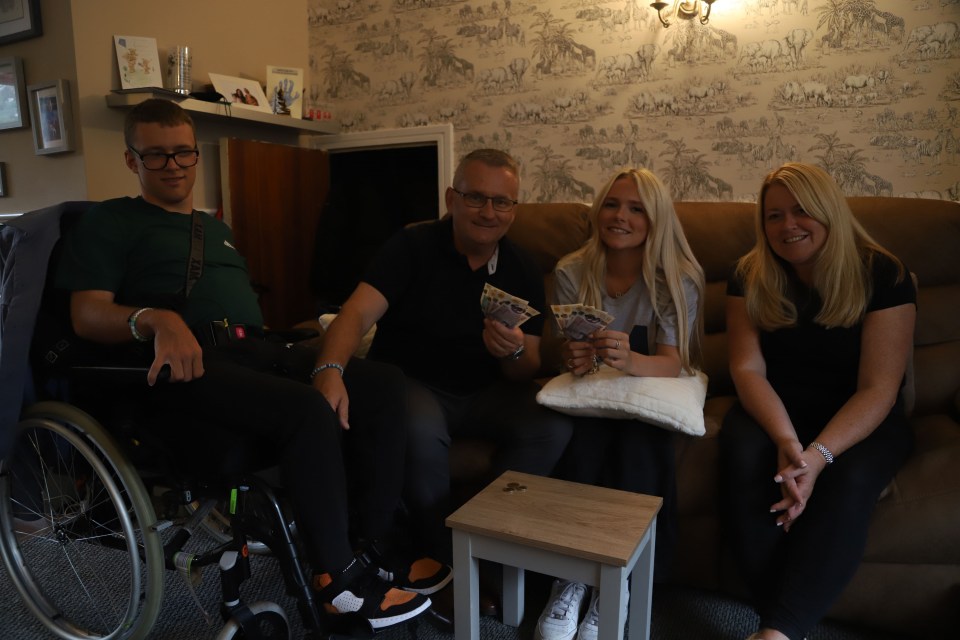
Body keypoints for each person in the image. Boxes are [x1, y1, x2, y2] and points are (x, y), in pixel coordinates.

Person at [54, 98, 438, 631]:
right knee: (306, 409)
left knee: (381, 383)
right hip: (182, 363)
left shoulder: (215, 227)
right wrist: (153, 318)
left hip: (254, 349)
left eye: (183, 153)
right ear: (130, 160)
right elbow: (86, 313)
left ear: (195, 155)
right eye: (157, 155)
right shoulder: (110, 221)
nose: (174, 166)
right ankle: (338, 583)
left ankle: (371, 543)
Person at [315, 148, 574, 616]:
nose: (489, 212)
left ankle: (491, 546)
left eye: (502, 202)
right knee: (419, 429)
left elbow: (528, 364)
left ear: (515, 209)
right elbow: (354, 313)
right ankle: (445, 566)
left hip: (486, 390)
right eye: (476, 198)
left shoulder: (523, 267)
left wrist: (512, 349)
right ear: (452, 198)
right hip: (414, 383)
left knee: (552, 426)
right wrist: (328, 369)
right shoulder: (411, 246)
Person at [721, 163, 916, 640]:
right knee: (743, 455)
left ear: (829, 211)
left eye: (802, 211)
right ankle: (784, 621)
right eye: (774, 216)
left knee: (847, 481)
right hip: (778, 409)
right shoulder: (748, 275)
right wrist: (788, 440)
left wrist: (817, 456)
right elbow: (747, 369)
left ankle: (776, 632)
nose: (788, 226)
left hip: (859, 416)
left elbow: (878, 388)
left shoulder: (882, 272)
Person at [533, 168, 704, 640]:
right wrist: (572, 354)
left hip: (646, 388)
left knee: (637, 442)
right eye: (611, 204)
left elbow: (675, 363)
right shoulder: (571, 269)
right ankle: (571, 575)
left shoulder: (678, 278)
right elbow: (568, 352)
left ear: (655, 219)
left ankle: (618, 581)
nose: (620, 216)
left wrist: (631, 360)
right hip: (591, 393)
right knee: (578, 440)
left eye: (635, 208)